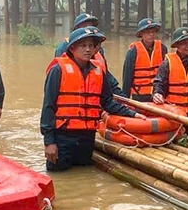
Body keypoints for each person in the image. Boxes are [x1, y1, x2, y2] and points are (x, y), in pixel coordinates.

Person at [41, 26, 146, 171]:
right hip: (63, 137)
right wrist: (49, 142)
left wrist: (133, 114)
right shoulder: (58, 70)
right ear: (72, 48)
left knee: (84, 176)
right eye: (83, 45)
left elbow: (108, 102)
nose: (88, 49)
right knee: (60, 178)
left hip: (87, 137)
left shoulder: (98, 71)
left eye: (91, 45)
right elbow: (48, 107)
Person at [122, 17, 167, 101]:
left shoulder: (162, 49)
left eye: (153, 31)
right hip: (139, 96)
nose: (151, 34)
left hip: (157, 95)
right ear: (141, 33)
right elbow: (127, 78)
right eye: (147, 32)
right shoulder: (133, 52)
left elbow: (166, 75)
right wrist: (125, 100)